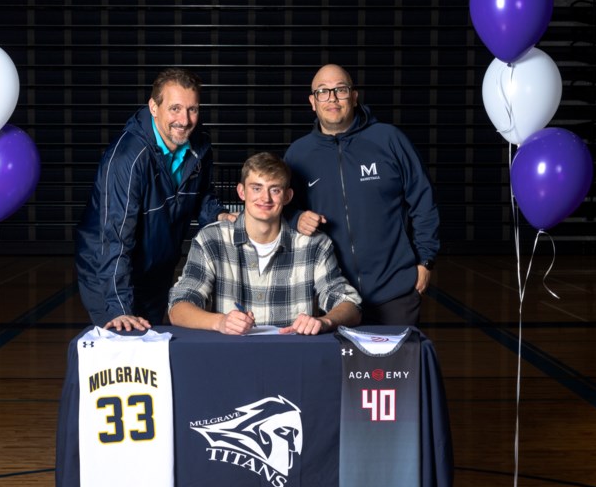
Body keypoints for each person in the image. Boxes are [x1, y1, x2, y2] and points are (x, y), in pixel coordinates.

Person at [75, 68, 236, 332]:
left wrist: (218, 214)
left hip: (157, 268)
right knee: (125, 346)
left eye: (192, 109)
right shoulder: (128, 158)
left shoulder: (199, 143)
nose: (184, 120)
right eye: (174, 109)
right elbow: (115, 237)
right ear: (153, 107)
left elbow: (202, 195)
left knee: (153, 347)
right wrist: (118, 307)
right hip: (108, 271)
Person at [284, 64, 441, 326]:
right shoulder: (298, 154)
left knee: (394, 367)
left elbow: (423, 200)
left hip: (394, 291)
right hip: (331, 296)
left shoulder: (389, 140)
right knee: (338, 368)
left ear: (354, 96)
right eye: (323, 91)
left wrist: (425, 260)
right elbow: (282, 209)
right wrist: (296, 217)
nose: (332, 98)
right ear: (313, 102)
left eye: (340, 90)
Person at [168, 152, 362, 335]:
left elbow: (350, 304)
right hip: (230, 356)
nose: (265, 198)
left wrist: (325, 321)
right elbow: (178, 306)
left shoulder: (315, 244)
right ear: (241, 192)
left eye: (275, 190)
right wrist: (220, 322)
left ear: (287, 197)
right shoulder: (211, 239)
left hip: (293, 356)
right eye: (256, 188)